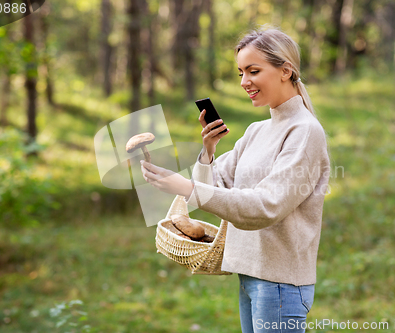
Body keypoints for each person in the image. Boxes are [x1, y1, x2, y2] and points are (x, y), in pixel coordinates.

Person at [141, 27, 330, 333]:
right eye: (241, 72)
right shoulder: (257, 130)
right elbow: (213, 188)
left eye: (254, 71)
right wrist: (208, 152)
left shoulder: (305, 131)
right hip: (249, 277)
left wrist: (186, 187)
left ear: (286, 71)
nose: (244, 82)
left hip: (280, 286)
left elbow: (265, 207)